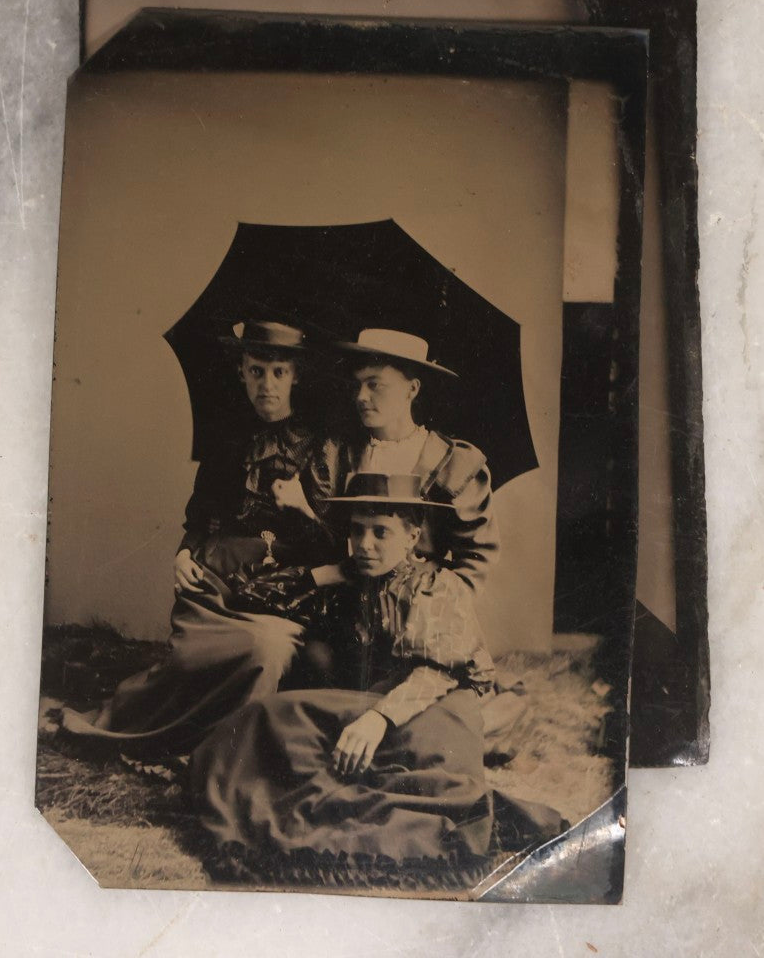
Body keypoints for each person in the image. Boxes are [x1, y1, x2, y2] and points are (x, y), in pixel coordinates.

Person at [192, 473, 562, 887]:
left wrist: (377, 720)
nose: (365, 545)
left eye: (381, 532)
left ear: (412, 537)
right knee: (269, 717)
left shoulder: (436, 586)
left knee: (414, 770)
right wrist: (323, 575)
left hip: (442, 701)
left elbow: (436, 672)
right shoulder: (355, 577)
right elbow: (249, 597)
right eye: (357, 531)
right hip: (376, 698)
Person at [62, 320, 341, 758]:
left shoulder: (320, 447)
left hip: (281, 591)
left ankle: (223, 754)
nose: (266, 384)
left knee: (262, 652)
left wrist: (302, 506)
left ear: (296, 376)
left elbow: (333, 545)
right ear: (241, 372)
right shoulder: (227, 438)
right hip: (217, 578)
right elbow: (201, 516)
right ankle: (163, 731)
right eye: (256, 371)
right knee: (190, 660)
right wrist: (183, 554)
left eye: (279, 372)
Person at [280, 328, 500, 600]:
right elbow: (334, 543)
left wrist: (423, 601)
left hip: (421, 606)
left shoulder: (451, 462)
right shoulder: (338, 455)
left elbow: (476, 564)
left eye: (375, 385)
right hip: (345, 601)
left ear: (412, 389)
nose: (361, 397)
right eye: (357, 385)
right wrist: (304, 511)